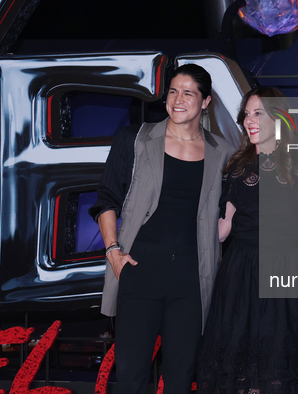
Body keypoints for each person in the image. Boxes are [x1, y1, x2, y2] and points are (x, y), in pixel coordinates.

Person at [88, 63, 235, 394]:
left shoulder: (222, 152)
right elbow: (107, 199)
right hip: (139, 268)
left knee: (181, 379)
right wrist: (113, 252)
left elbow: (229, 212)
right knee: (130, 376)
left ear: (206, 101)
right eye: (172, 91)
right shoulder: (135, 139)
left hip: (191, 278)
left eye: (188, 93)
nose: (177, 99)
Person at [196, 87, 298, 394]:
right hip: (243, 269)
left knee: (279, 355)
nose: (249, 120)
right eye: (246, 114)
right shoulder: (237, 166)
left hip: (287, 268)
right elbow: (222, 229)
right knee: (241, 353)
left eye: (258, 113)